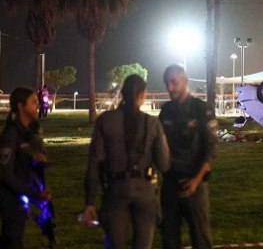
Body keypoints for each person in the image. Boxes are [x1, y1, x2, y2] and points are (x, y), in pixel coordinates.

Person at [82, 75, 171, 249]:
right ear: (143, 95)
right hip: (145, 190)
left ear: (122, 93)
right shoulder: (152, 123)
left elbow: (94, 162)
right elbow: (164, 164)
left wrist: (90, 202)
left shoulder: (105, 121)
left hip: (115, 190)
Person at [160, 65, 218, 249]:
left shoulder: (201, 110)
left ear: (185, 81)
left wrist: (195, 181)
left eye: (174, 82)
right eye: (167, 83)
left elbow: (210, 151)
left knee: (201, 240)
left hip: (195, 187)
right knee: (169, 241)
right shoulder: (166, 111)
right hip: (170, 187)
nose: (170, 88)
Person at [0, 87, 51, 249]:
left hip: (21, 194)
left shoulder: (29, 133)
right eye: (33, 102)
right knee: (14, 241)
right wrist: (35, 194)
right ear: (20, 106)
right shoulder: (10, 135)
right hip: (10, 198)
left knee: (7, 241)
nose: (37, 105)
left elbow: (27, 161)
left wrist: (37, 159)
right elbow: (7, 175)